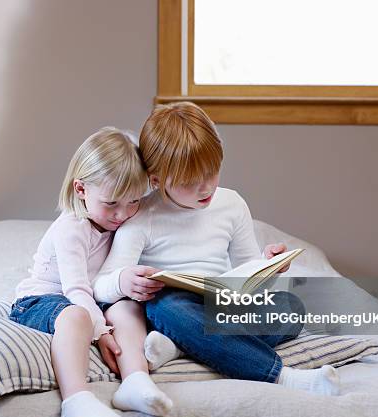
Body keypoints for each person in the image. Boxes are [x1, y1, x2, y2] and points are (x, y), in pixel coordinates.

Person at [92, 103, 340, 396]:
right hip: (174, 307)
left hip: (222, 305)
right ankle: (280, 376)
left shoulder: (232, 204)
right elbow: (100, 285)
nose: (206, 187)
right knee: (168, 307)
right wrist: (123, 280)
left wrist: (267, 265)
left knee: (291, 308)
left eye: (212, 172)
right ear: (156, 180)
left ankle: (180, 346)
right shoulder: (141, 217)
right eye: (189, 182)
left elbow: (248, 274)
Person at [10, 127, 172, 417]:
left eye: (134, 201)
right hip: (43, 301)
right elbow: (76, 290)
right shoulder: (72, 228)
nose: (123, 214)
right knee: (77, 315)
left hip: (91, 300)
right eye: (112, 203)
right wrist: (100, 333)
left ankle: (135, 381)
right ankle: (76, 402)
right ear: (81, 189)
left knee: (127, 309)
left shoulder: (125, 219)